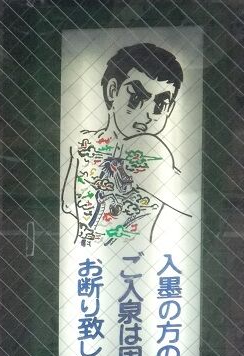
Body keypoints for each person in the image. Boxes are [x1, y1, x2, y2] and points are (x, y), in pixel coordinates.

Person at [61, 43, 191, 246]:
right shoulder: (82, 146)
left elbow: (189, 208)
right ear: (112, 91)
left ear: (170, 108)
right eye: (136, 97)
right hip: (88, 254)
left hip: (139, 256)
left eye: (160, 104)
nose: (148, 114)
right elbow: (67, 205)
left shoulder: (155, 155)